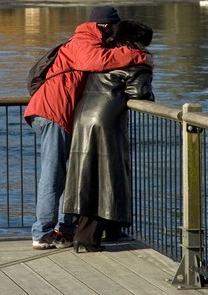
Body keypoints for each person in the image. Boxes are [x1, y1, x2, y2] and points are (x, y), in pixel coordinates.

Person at [24, 6, 153, 250]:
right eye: (115, 27)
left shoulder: (87, 40)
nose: (116, 33)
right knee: (53, 175)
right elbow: (97, 61)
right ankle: (42, 232)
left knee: (69, 173)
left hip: (59, 112)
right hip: (53, 112)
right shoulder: (83, 41)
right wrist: (139, 56)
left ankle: (65, 229)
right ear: (106, 26)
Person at [62, 20, 155, 253]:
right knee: (106, 177)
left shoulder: (105, 57)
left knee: (86, 175)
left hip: (83, 118)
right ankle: (90, 237)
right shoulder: (136, 61)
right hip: (106, 121)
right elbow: (140, 94)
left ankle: (84, 233)